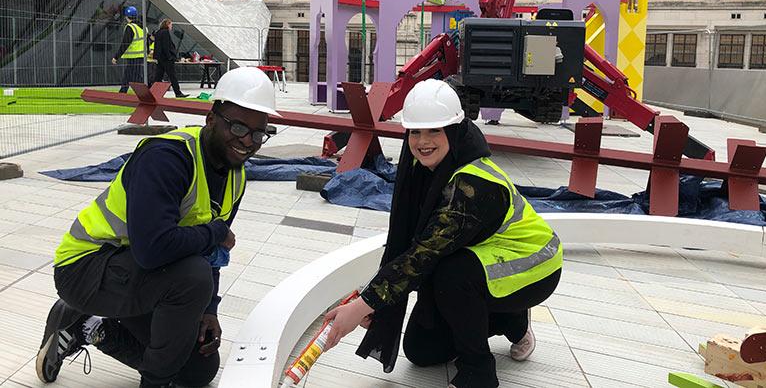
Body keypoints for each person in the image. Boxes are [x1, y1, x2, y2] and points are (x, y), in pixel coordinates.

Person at [36, 67, 280, 388]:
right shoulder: (167, 157)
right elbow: (153, 250)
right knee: (192, 277)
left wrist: (209, 310)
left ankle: (89, 327)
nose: (248, 141)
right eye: (238, 126)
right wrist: (216, 233)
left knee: (198, 369)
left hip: (139, 276)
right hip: (85, 269)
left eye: (258, 132)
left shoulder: (235, 174)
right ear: (211, 119)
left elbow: (212, 254)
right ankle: (155, 382)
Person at [322, 79, 563, 388]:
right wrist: (377, 302)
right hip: (486, 258)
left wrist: (362, 306)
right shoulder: (424, 170)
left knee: (451, 273)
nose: (423, 141)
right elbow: (409, 248)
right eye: (416, 131)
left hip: (534, 266)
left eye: (435, 130)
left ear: (453, 129)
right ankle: (506, 318)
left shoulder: (474, 185)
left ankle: (478, 372)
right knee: (422, 350)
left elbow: (424, 255)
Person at [112, 6, 149, 94]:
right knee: (129, 74)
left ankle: (144, 94)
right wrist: (147, 52)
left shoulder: (130, 27)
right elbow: (147, 42)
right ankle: (123, 91)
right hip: (141, 55)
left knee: (135, 76)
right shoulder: (144, 27)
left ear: (126, 17)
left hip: (133, 56)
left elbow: (125, 44)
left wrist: (116, 57)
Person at [150, 18, 188, 98]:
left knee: (158, 77)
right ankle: (178, 93)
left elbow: (158, 46)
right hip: (166, 59)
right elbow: (166, 46)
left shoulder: (159, 32)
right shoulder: (165, 32)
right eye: (171, 24)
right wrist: (170, 57)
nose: (171, 26)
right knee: (172, 76)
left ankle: (152, 93)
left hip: (160, 58)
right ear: (167, 24)